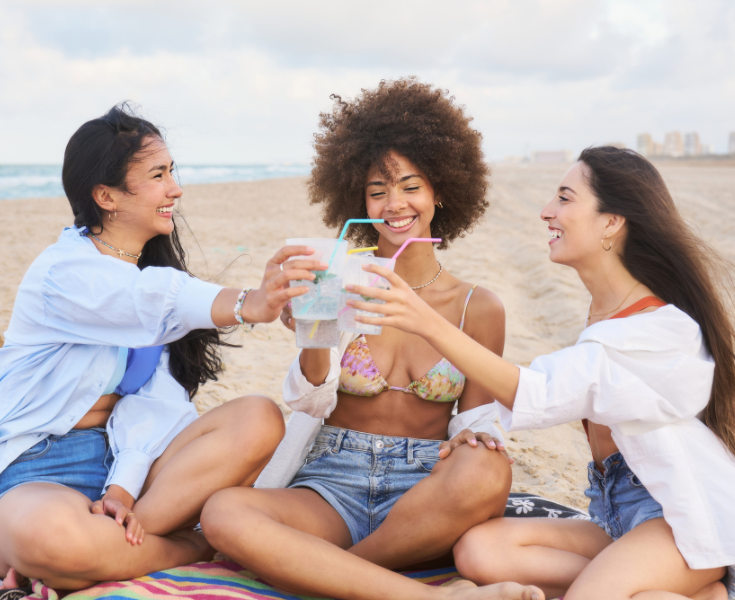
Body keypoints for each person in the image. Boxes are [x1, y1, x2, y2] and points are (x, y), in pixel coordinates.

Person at [346, 147, 735, 599]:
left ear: (611, 222)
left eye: (564, 198)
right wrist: (475, 433)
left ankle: (690, 582)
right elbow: (542, 394)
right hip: (615, 517)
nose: (546, 212)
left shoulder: (660, 328)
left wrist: (425, 321)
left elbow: (543, 390)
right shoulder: (605, 315)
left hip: (678, 523)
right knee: (479, 552)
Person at [200, 79, 543, 600]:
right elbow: (313, 396)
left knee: (488, 467)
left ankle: (340, 572)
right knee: (225, 513)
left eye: (410, 186)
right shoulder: (339, 277)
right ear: (356, 201)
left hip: (425, 489)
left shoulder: (480, 306)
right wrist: (313, 328)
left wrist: (473, 446)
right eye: (377, 191)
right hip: (333, 478)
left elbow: (475, 421)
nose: (394, 204)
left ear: (440, 191)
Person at [0, 104, 326, 591]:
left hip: (131, 465)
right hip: (38, 474)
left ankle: (113, 545)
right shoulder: (64, 276)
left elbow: (155, 400)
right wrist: (251, 302)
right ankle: (192, 546)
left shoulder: (141, 278)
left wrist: (123, 485)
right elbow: (151, 301)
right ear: (107, 196)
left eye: (171, 172)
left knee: (259, 418)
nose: (174, 189)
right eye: (158, 175)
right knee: (49, 539)